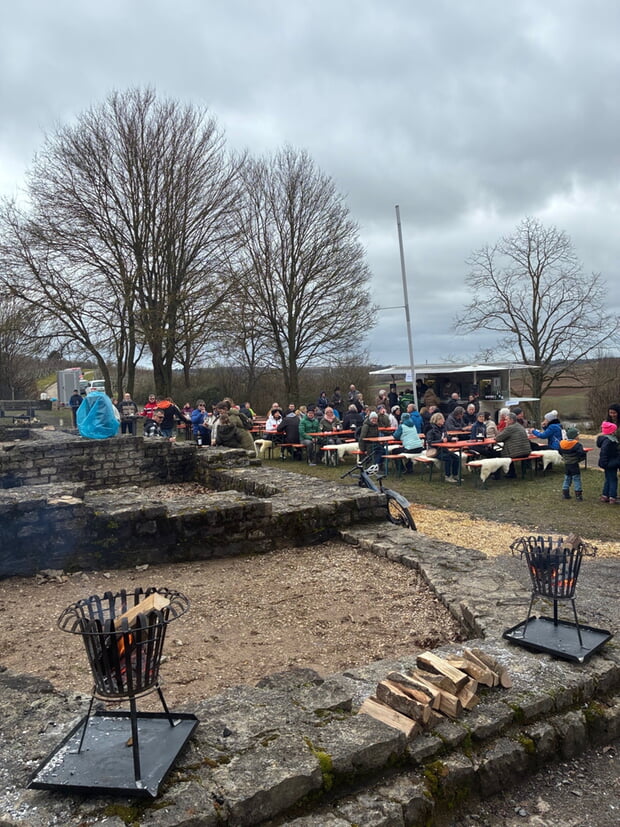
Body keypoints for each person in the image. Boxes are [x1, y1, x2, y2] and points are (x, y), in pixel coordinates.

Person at [426, 411, 460, 483]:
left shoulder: (443, 428)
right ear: (436, 420)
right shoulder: (431, 430)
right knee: (448, 458)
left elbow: (446, 437)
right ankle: (447, 476)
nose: (443, 421)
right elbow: (430, 442)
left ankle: (455, 474)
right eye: (441, 419)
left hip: (443, 449)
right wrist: (441, 441)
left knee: (456, 457)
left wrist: (451, 439)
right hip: (435, 451)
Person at [498, 412, 531, 478]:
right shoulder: (520, 426)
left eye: (506, 420)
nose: (505, 421)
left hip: (517, 453)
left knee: (499, 454)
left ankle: (507, 473)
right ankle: (512, 472)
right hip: (527, 451)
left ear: (511, 420)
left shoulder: (510, 428)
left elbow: (498, 438)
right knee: (508, 452)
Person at [558, 427, 586, 501]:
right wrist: (580, 458)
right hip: (574, 464)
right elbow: (582, 453)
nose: (578, 437)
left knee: (567, 478)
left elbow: (560, 452)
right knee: (576, 478)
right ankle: (578, 495)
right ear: (574, 436)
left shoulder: (562, 443)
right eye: (577, 435)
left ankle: (565, 493)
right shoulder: (577, 445)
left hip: (567, 463)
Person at [597, 421, 619, 504]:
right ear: (612, 431)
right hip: (610, 463)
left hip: (609, 463)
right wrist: (605, 463)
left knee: (608, 479)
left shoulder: (605, 439)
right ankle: (612, 496)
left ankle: (605, 495)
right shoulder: (609, 441)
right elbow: (604, 453)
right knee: (613, 479)